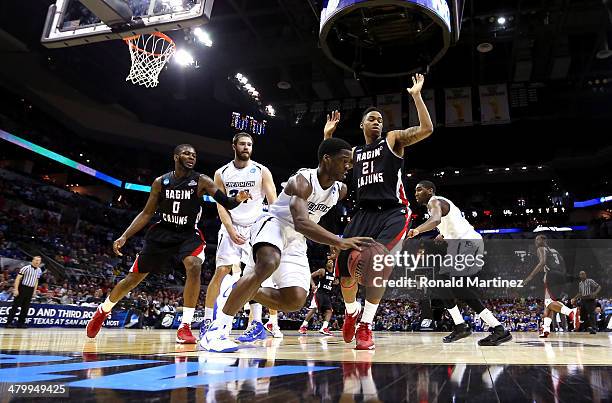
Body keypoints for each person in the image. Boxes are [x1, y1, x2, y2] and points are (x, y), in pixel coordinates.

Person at [200, 138, 373, 352]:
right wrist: (338, 240)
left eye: (350, 162)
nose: (349, 166)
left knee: (295, 300)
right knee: (269, 263)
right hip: (274, 225)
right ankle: (217, 330)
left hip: (297, 241)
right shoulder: (301, 181)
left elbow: (316, 215)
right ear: (327, 159)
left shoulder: (342, 190)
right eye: (344, 161)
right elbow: (301, 222)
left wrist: (334, 244)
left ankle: (238, 288)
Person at [86, 144, 249, 343]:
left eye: (194, 155)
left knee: (194, 265)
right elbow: (147, 213)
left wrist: (238, 198)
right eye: (186, 154)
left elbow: (227, 202)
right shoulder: (160, 182)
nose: (191, 157)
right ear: (175, 157)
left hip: (188, 233)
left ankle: (185, 326)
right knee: (132, 279)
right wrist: (125, 236)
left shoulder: (202, 181)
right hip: (162, 233)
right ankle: (103, 311)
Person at [324, 74, 433, 350]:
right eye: (372, 118)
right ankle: (351, 313)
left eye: (380, 119)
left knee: (378, 263)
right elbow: (331, 167)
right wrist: (327, 137)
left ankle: (367, 325)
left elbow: (426, 128)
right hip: (362, 215)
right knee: (343, 269)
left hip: (392, 213)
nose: (378, 121)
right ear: (361, 125)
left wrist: (417, 96)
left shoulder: (392, 140)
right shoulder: (354, 153)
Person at [409, 181, 512, 346]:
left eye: (419, 189)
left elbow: (435, 220)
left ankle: (496, 329)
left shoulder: (434, 201)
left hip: (466, 244)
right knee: (444, 285)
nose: (416, 193)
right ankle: (464, 326)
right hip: (461, 244)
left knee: (453, 286)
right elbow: (450, 224)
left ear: (430, 190)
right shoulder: (442, 204)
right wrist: (442, 235)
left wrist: (417, 230)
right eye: (415, 190)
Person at [202, 132, 279, 342]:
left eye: (249, 145)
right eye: (242, 144)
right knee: (221, 271)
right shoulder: (221, 173)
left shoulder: (261, 171)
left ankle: (256, 324)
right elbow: (220, 205)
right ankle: (207, 321)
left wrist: (275, 227)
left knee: (254, 274)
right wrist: (229, 228)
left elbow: (273, 202)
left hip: (256, 226)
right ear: (234, 146)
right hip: (231, 225)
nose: (246, 147)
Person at [524, 235, 579, 338]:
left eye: (538, 239)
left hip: (552, 276)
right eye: (535, 240)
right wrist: (561, 276)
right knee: (548, 305)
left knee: (549, 303)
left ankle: (571, 312)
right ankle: (546, 329)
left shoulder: (541, 248)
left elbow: (542, 262)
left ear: (543, 240)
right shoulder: (554, 250)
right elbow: (562, 263)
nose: (536, 241)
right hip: (561, 275)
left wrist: (530, 277)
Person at [299, 255, 338, 335]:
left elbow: (332, 282)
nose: (331, 263)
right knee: (314, 308)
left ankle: (324, 328)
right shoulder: (322, 271)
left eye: (332, 262)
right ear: (326, 264)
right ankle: (303, 326)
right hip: (319, 292)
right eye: (329, 262)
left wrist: (335, 282)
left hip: (327, 294)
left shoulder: (333, 274)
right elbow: (309, 276)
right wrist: (313, 285)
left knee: (329, 311)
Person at [5, 256, 43, 328]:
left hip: (30, 289)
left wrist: (34, 291)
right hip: (22, 288)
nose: (37, 262)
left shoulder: (39, 270)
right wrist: (16, 289)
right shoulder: (25, 268)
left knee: (25, 308)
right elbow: (17, 279)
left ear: (40, 262)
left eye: (39, 261)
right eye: (36, 260)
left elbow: (36, 281)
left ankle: (21, 323)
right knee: (15, 306)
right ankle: (8, 323)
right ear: (33, 260)